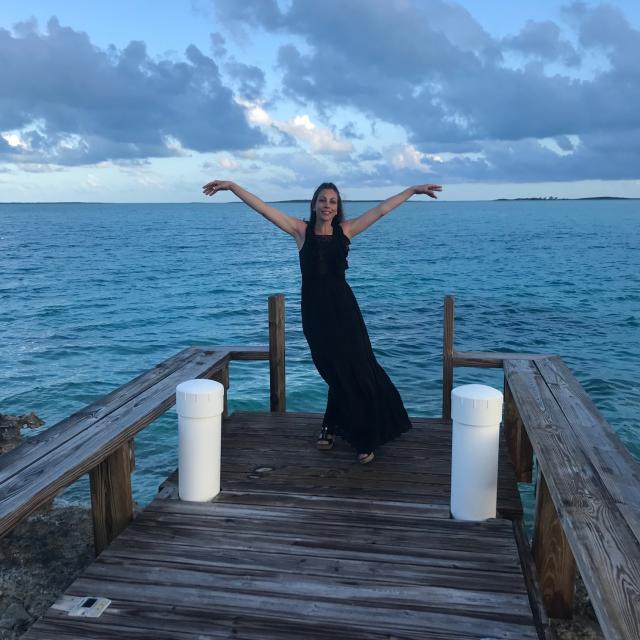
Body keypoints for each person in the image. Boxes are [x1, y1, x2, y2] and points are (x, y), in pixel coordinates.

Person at [202, 179, 442, 463]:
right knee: (332, 370)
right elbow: (265, 210)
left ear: (337, 207)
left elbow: (380, 211)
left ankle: (362, 437)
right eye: (323, 200)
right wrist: (232, 186)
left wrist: (412, 191)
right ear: (314, 204)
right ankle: (331, 425)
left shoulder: (346, 231)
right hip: (315, 316)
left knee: (358, 368)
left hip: (346, 312)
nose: (327, 205)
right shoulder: (301, 232)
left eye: (333, 201)